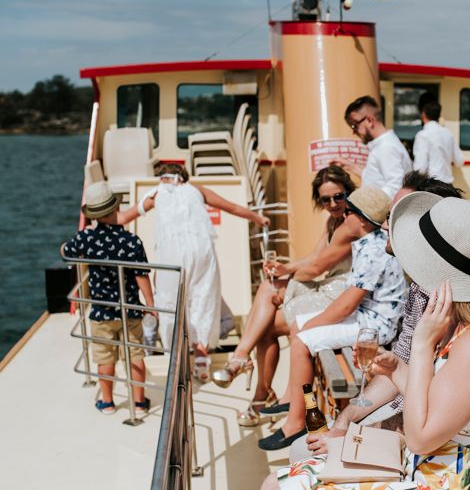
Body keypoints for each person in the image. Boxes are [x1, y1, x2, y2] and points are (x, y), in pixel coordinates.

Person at [234, 194, 470, 490]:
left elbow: (422, 436)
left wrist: (421, 347)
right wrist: (397, 369)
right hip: (435, 478)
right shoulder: (466, 327)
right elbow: (437, 405)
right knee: (275, 487)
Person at [303, 170, 464, 458]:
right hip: (402, 426)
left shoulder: (457, 309)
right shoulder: (419, 291)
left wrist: (350, 440)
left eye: (393, 217)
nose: (384, 225)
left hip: (426, 449)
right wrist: (347, 418)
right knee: (305, 452)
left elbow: (424, 427)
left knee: (300, 457)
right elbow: (399, 366)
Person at [257, 186, 407, 452]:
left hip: (375, 325)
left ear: (360, 219)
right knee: (297, 326)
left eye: (347, 211)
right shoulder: (367, 244)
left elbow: (347, 305)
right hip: (366, 316)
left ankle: (296, 422)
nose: (342, 215)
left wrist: (309, 328)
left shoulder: (373, 252)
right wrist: (305, 325)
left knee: (302, 340)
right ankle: (295, 399)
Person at [212, 165, 357, 427]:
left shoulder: (350, 223)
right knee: (269, 287)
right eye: (326, 199)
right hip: (328, 286)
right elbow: (314, 257)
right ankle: (246, 366)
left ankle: (251, 381)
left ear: (349, 192)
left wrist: (286, 270)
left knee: (267, 322)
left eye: (339, 196)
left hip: (342, 294)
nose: (333, 203)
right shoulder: (333, 221)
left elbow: (317, 267)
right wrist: (283, 269)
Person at [117, 163, 269, 382]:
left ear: (162, 178)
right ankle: (201, 362)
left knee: (171, 305)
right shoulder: (197, 189)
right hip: (203, 250)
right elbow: (233, 208)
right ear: (184, 178)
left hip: (172, 254)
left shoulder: (156, 193)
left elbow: (123, 218)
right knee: (203, 301)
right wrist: (258, 218)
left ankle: (177, 361)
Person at [61, 181, 154, 415]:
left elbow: (65, 251)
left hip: (102, 312)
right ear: (115, 208)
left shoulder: (86, 239)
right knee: (135, 355)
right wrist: (151, 305)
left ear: (93, 215)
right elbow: (142, 275)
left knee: (105, 357)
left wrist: (68, 246)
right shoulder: (132, 242)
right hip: (130, 310)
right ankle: (140, 403)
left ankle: (108, 402)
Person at [333, 94, 412, 198]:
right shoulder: (383, 145)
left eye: (354, 125)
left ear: (369, 120)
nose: (354, 131)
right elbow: (377, 179)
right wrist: (350, 166)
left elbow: (395, 187)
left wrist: (366, 204)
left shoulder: (386, 147)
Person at [413, 98, 464, 183]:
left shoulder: (422, 135)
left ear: (423, 114)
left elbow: (420, 169)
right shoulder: (447, 133)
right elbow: (459, 161)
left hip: (432, 186)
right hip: (448, 185)